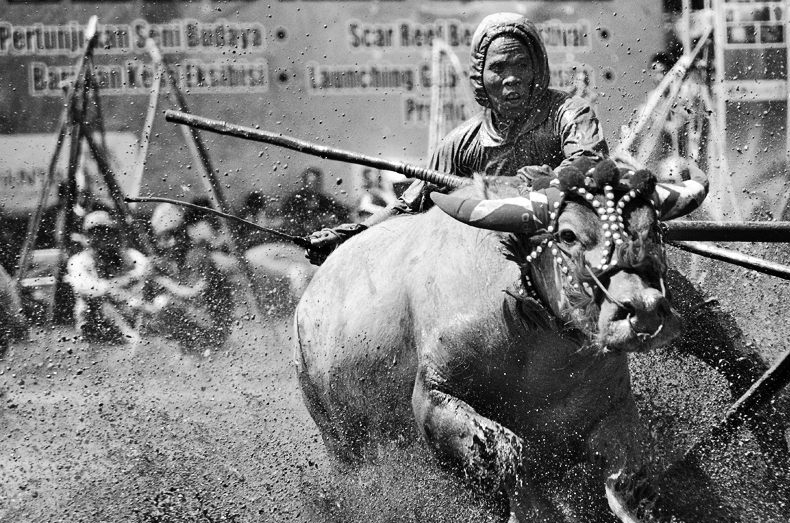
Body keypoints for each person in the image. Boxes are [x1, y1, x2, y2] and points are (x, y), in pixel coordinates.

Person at [305, 12, 609, 264]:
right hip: (497, 266)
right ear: (480, 75)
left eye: (521, 64)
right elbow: (408, 206)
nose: (512, 77)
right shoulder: (461, 143)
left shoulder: (569, 112)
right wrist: (348, 236)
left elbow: (590, 163)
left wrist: (529, 183)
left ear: (537, 69)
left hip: (573, 254)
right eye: (498, 67)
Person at [144, 203, 234, 352]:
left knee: (165, 306)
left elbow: (195, 295)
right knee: (159, 309)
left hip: (212, 325)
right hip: (192, 321)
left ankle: (201, 349)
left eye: (176, 234)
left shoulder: (197, 256)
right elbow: (146, 303)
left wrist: (163, 282)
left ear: (184, 232)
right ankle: (188, 351)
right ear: (158, 240)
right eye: (166, 236)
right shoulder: (162, 263)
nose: (173, 241)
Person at [65, 211, 150, 343]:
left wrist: (121, 286)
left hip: (127, 307)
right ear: (87, 237)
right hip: (95, 317)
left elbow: (145, 268)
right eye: (95, 233)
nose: (101, 237)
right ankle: (127, 333)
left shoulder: (126, 255)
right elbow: (89, 289)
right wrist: (120, 284)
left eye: (106, 232)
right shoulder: (78, 261)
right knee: (98, 300)